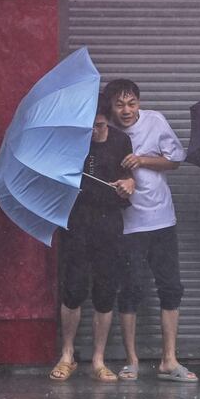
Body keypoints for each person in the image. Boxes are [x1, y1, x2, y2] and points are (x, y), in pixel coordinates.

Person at [104, 78, 197, 383]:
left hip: (162, 220)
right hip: (129, 224)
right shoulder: (107, 131)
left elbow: (176, 160)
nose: (126, 110)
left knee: (170, 287)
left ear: (139, 103)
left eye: (132, 103)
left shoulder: (155, 121)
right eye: (120, 104)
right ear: (111, 107)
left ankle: (169, 360)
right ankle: (131, 360)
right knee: (130, 289)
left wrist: (142, 160)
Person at [49, 94, 135, 382]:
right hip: (77, 221)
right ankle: (67, 354)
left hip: (109, 221)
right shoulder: (74, 142)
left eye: (99, 125)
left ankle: (98, 359)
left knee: (105, 291)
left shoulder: (121, 141)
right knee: (73, 288)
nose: (95, 132)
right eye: (89, 127)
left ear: (107, 120)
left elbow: (128, 177)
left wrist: (127, 184)